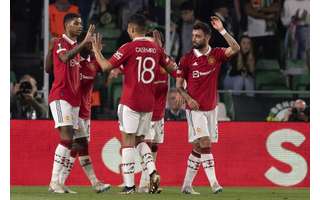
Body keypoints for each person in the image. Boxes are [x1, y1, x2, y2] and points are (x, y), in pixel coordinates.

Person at [91, 14, 177, 194]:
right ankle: (152, 170)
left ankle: (129, 185)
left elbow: (106, 67)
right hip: (148, 103)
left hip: (131, 101)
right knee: (140, 140)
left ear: (131, 29)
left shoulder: (128, 47)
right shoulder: (156, 49)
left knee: (128, 141)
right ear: (146, 30)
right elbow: (173, 70)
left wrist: (97, 51)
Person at [176, 19, 240, 194]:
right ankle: (214, 183)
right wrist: (188, 99)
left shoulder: (217, 54)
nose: (194, 39)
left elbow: (236, 48)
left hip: (211, 108)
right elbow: (179, 86)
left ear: (208, 38)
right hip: (194, 110)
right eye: (193, 36)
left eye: (198, 36)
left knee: (198, 147)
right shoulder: (187, 59)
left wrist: (222, 30)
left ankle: (186, 185)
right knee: (205, 142)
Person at [46, 31, 111, 193]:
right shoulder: (73, 62)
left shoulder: (93, 63)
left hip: (84, 112)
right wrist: (50, 50)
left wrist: (98, 51)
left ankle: (68, 182)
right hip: (70, 106)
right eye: (90, 43)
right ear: (82, 43)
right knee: (71, 143)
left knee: (80, 145)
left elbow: (106, 68)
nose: (92, 45)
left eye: (95, 43)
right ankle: (57, 181)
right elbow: (51, 68)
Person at [47, 13, 95, 193]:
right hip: (61, 96)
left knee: (79, 142)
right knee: (67, 138)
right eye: (76, 23)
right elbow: (64, 58)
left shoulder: (75, 46)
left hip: (74, 100)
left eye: (81, 23)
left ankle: (59, 182)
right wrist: (83, 43)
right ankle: (54, 182)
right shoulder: (61, 42)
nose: (80, 26)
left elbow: (47, 68)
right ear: (67, 25)